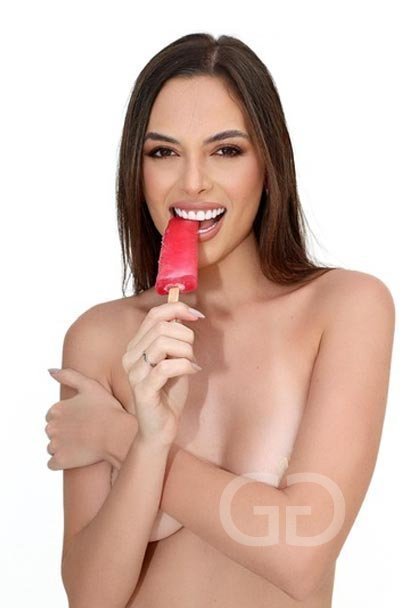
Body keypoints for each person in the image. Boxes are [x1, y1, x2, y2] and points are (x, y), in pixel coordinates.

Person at [44, 33, 395, 607]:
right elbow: (90, 597)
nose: (192, 182)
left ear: (269, 162)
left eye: (226, 150)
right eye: (163, 153)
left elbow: (301, 555)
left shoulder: (346, 308)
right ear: (136, 169)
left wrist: (117, 435)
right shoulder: (101, 338)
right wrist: (149, 443)